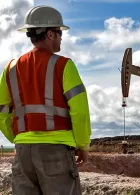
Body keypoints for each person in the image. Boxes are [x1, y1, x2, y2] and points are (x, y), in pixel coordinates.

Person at [0, 5, 92, 195]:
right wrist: (82, 144)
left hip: (23, 152)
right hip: (56, 152)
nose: (61, 38)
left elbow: (2, 111)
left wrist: (19, 139)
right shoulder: (64, 65)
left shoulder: (10, 69)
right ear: (50, 34)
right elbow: (80, 111)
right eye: (59, 33)